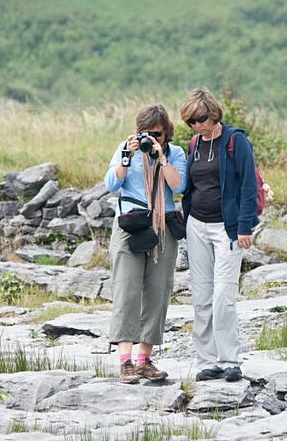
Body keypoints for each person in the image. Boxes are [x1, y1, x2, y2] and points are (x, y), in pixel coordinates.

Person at [179, 88, 259, 383]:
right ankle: (207, 362)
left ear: (213, 113)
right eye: (190, 122)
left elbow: (249, 186)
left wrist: (245, 227)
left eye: (200, 119)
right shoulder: (194, 144)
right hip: (196, 226)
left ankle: (230, 361)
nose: (196, 126)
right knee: (201, 296)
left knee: (223, 296)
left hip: (227, 228)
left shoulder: (235, 142)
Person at [104, 104, 187, 384]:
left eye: (158, 134)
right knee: (126, 289)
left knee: (158, 291)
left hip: (162, 226)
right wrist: (127, 157)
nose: (152, 138)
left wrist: (161, 158)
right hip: (130, 226)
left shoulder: (175, 153)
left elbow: (179, 187)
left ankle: (144, 360)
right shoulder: (126, 149)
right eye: (146, 133)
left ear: (167, 133)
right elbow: (111, 185)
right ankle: (125, 361)